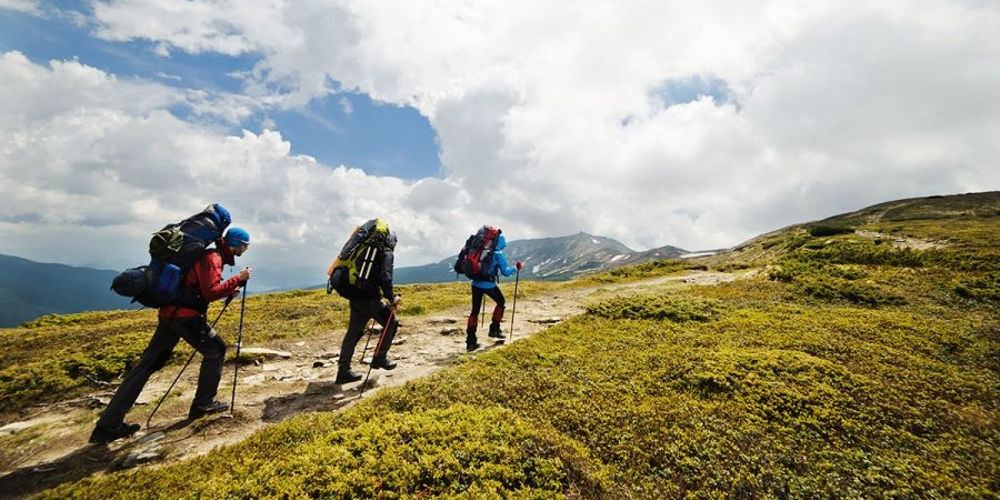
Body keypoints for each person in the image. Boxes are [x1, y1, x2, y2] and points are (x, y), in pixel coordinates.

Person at [89, 228, 252, 444]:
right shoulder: (212, 257)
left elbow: (202, 286)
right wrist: (237, 279)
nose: (245, 249)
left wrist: (229, 288)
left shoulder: (209, 256)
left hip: (169, 316)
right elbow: (210, 292)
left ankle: (107, 425)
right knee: (216, 350)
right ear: (236, 244)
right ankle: (203, 404)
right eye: (245, 245)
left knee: (145, 366)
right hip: (186, 318)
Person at [334, 229, 401, 384]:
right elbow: (386, 277)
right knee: (392, 322)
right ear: (392, 241)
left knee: (353, 333)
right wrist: (392, 298)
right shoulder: (386, 253)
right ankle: (379, 357)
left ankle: (343, 371)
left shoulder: (365, 250)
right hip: (371, 299)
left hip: (355, 297)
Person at [466, 233, 521, 351]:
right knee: (501, 302)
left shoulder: (480, 250)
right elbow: (506, 272)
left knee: (474, 311)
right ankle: (494, 330)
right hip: (489, 285)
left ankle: (470, 342)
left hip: (475, 284)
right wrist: (516, 268)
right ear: (500, 243)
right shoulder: (497, 254)